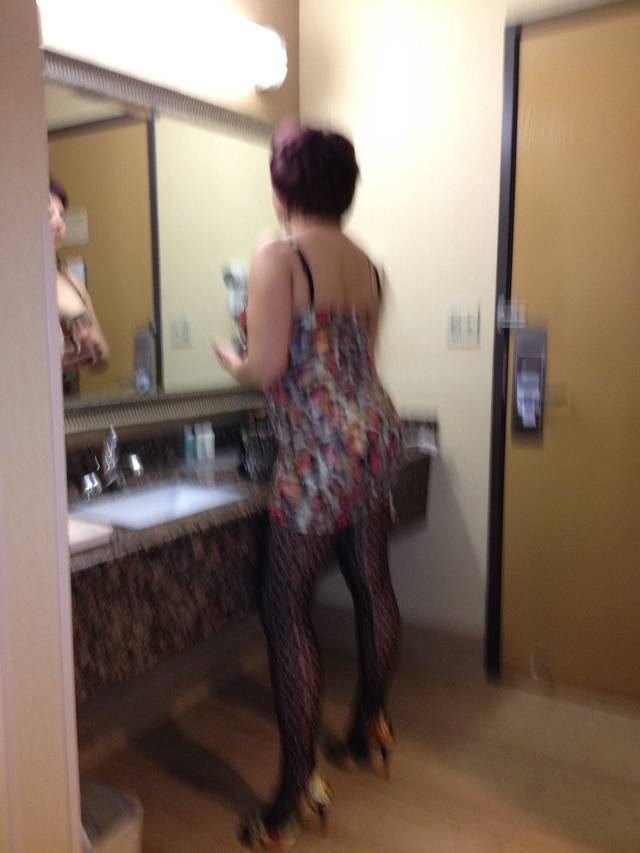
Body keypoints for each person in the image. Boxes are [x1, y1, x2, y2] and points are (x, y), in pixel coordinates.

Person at [215, 123, 403, 851]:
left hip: (320, 449)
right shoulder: (368, 266)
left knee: (282, 605)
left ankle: (294, 794)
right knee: (372, 583)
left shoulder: (279, 256)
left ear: (282, 187)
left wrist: (232, 356)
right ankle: (369, 724)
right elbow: (360, 363)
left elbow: (267, 370)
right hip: (374, 433)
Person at [49, 178, 109, 392]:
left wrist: (94, 349)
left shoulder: (72, 282)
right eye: (48, 215)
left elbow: (103, 358)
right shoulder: (13, 286)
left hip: (72, 403)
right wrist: (58, 362)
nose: (59, 223)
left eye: (61, 215)